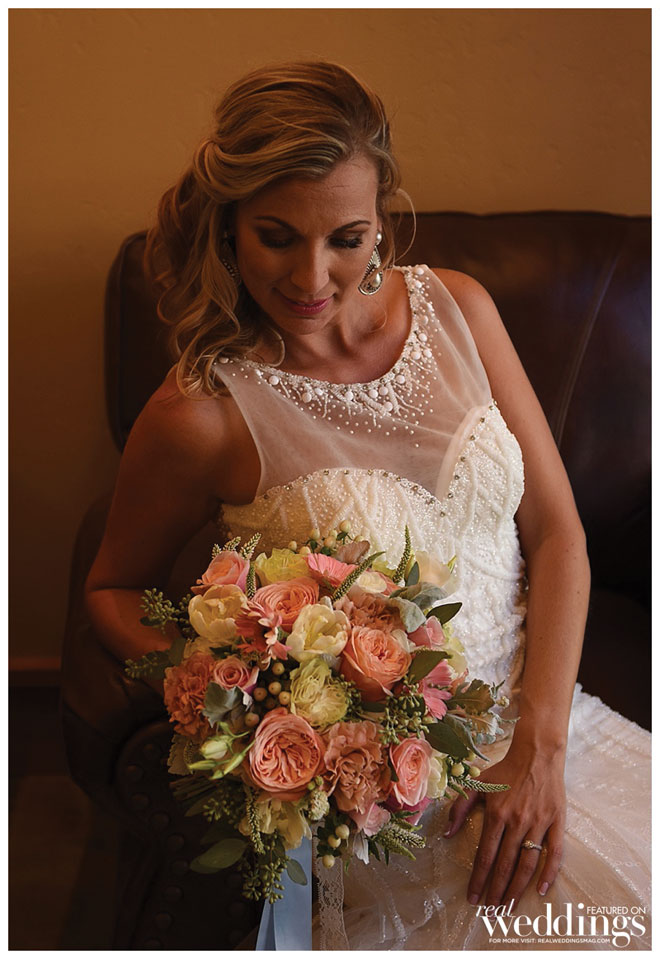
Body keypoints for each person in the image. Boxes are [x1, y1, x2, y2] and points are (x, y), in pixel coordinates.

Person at [85, 61, 651, 950]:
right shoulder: (203, 409)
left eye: (347, 238)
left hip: (552, 731)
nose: (313, 276)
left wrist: (539, 749)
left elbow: (557, 534)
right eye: (277, 236)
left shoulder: (461, 309)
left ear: (382, 219)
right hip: (395, 808)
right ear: (228, 224)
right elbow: (112, 588)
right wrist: (237, 692)